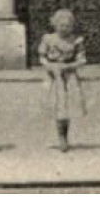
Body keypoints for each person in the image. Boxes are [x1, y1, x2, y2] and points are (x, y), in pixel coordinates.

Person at [38, 9, 87, 152]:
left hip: (69, 75)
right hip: (54, 76)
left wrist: (69, 66)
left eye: (67, 26)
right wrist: (49, 66)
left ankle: (65, 136)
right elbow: (42, 57)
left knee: (67, 106)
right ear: (55, 25)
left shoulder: (76, 40)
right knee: (57, 105)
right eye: (61, 26)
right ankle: (60, 135)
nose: (64, 29)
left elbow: (82, 60)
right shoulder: (48, 39)